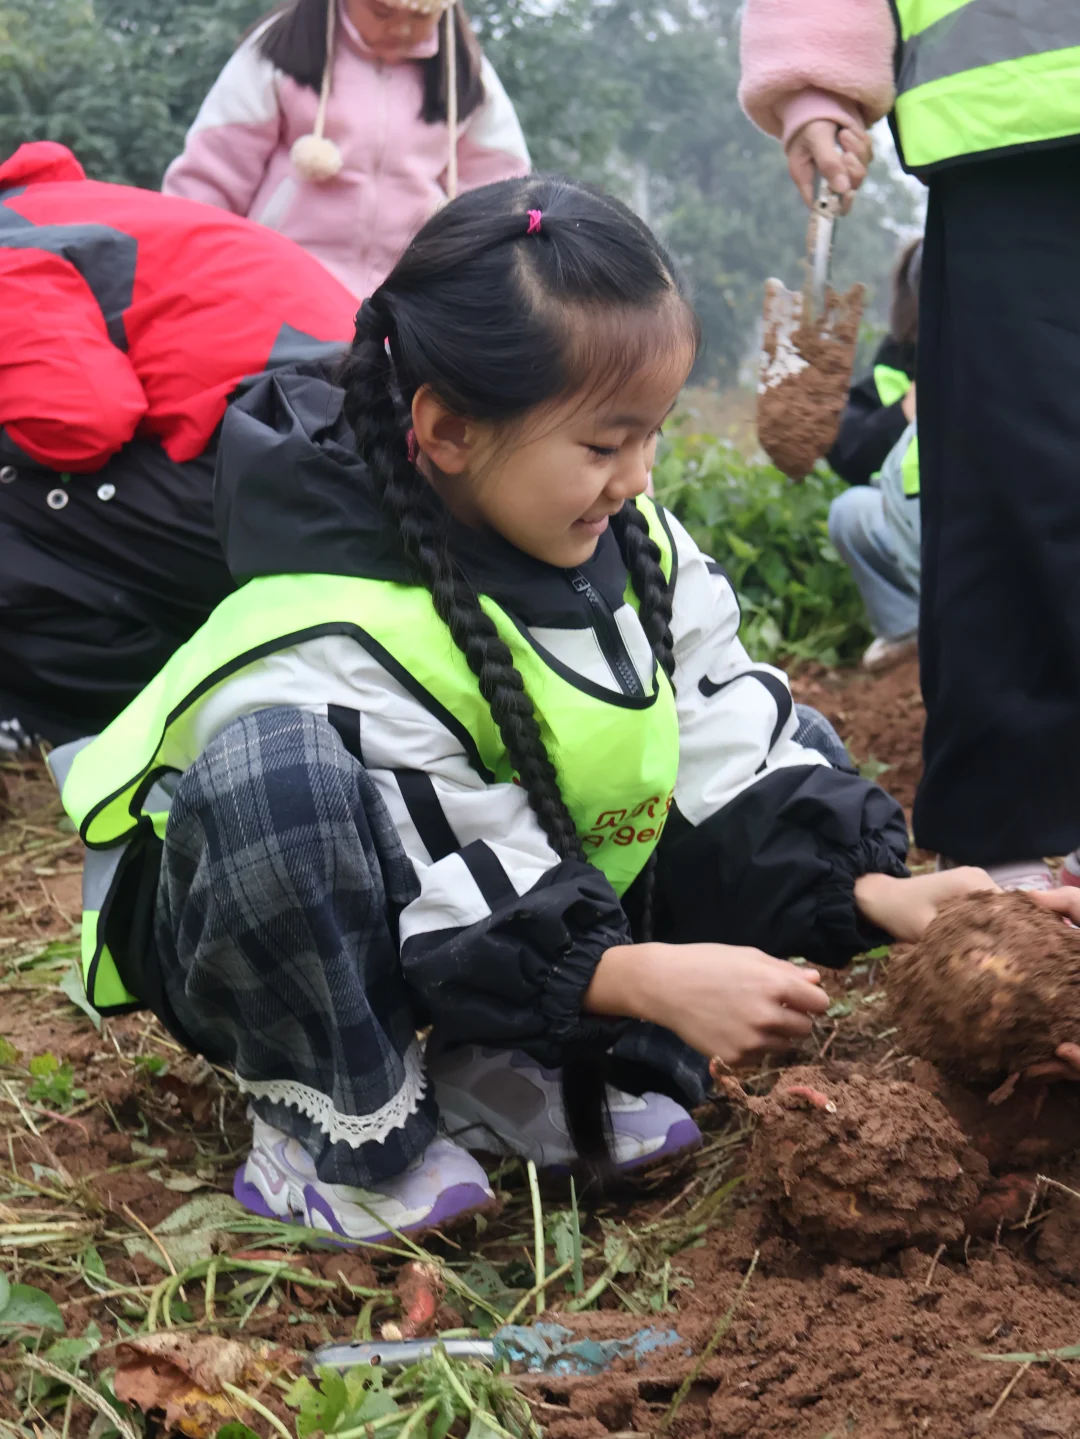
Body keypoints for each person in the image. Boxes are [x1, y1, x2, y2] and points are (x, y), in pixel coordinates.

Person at [53, 176, 1012, 1245]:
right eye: (604, 446)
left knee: (799, 744)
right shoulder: (328, 614)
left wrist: (884, 890)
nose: (636, 477)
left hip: (484, 890)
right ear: (450, 430)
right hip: (267, 913)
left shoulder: (629, 537)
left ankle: (498, 1062)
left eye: (650, 435)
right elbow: (437, 851)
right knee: (283, 774)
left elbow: (719, 730)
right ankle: (328, 1117)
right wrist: (636, 971)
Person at [739, 0, 1080, 891]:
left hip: (1002, 154)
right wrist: (816, 76)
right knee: (1012, 495)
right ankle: (1005, 867)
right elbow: (849, 448)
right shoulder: (890, 365)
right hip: (1007, 143)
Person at [0, 140, 357, 746]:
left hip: (294, 459)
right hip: (342, 446)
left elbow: (84, 420)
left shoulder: (9, 250)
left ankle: (111, 720)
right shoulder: (55, 208)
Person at [163, 0, 530, 299]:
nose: (401, 28)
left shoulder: (466, 74)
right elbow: (211, 176)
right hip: (275, 288)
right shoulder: (280, 51)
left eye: (420, 17)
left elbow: (500, 198)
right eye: (382, 12)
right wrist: (188, 275)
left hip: (406, 303)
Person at [828, 240, 921, 673]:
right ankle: (908, 629)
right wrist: (907, 409)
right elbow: (851, 451)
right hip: (920, 525)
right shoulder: (898, 362)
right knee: (851, 512)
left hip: (994, 524)